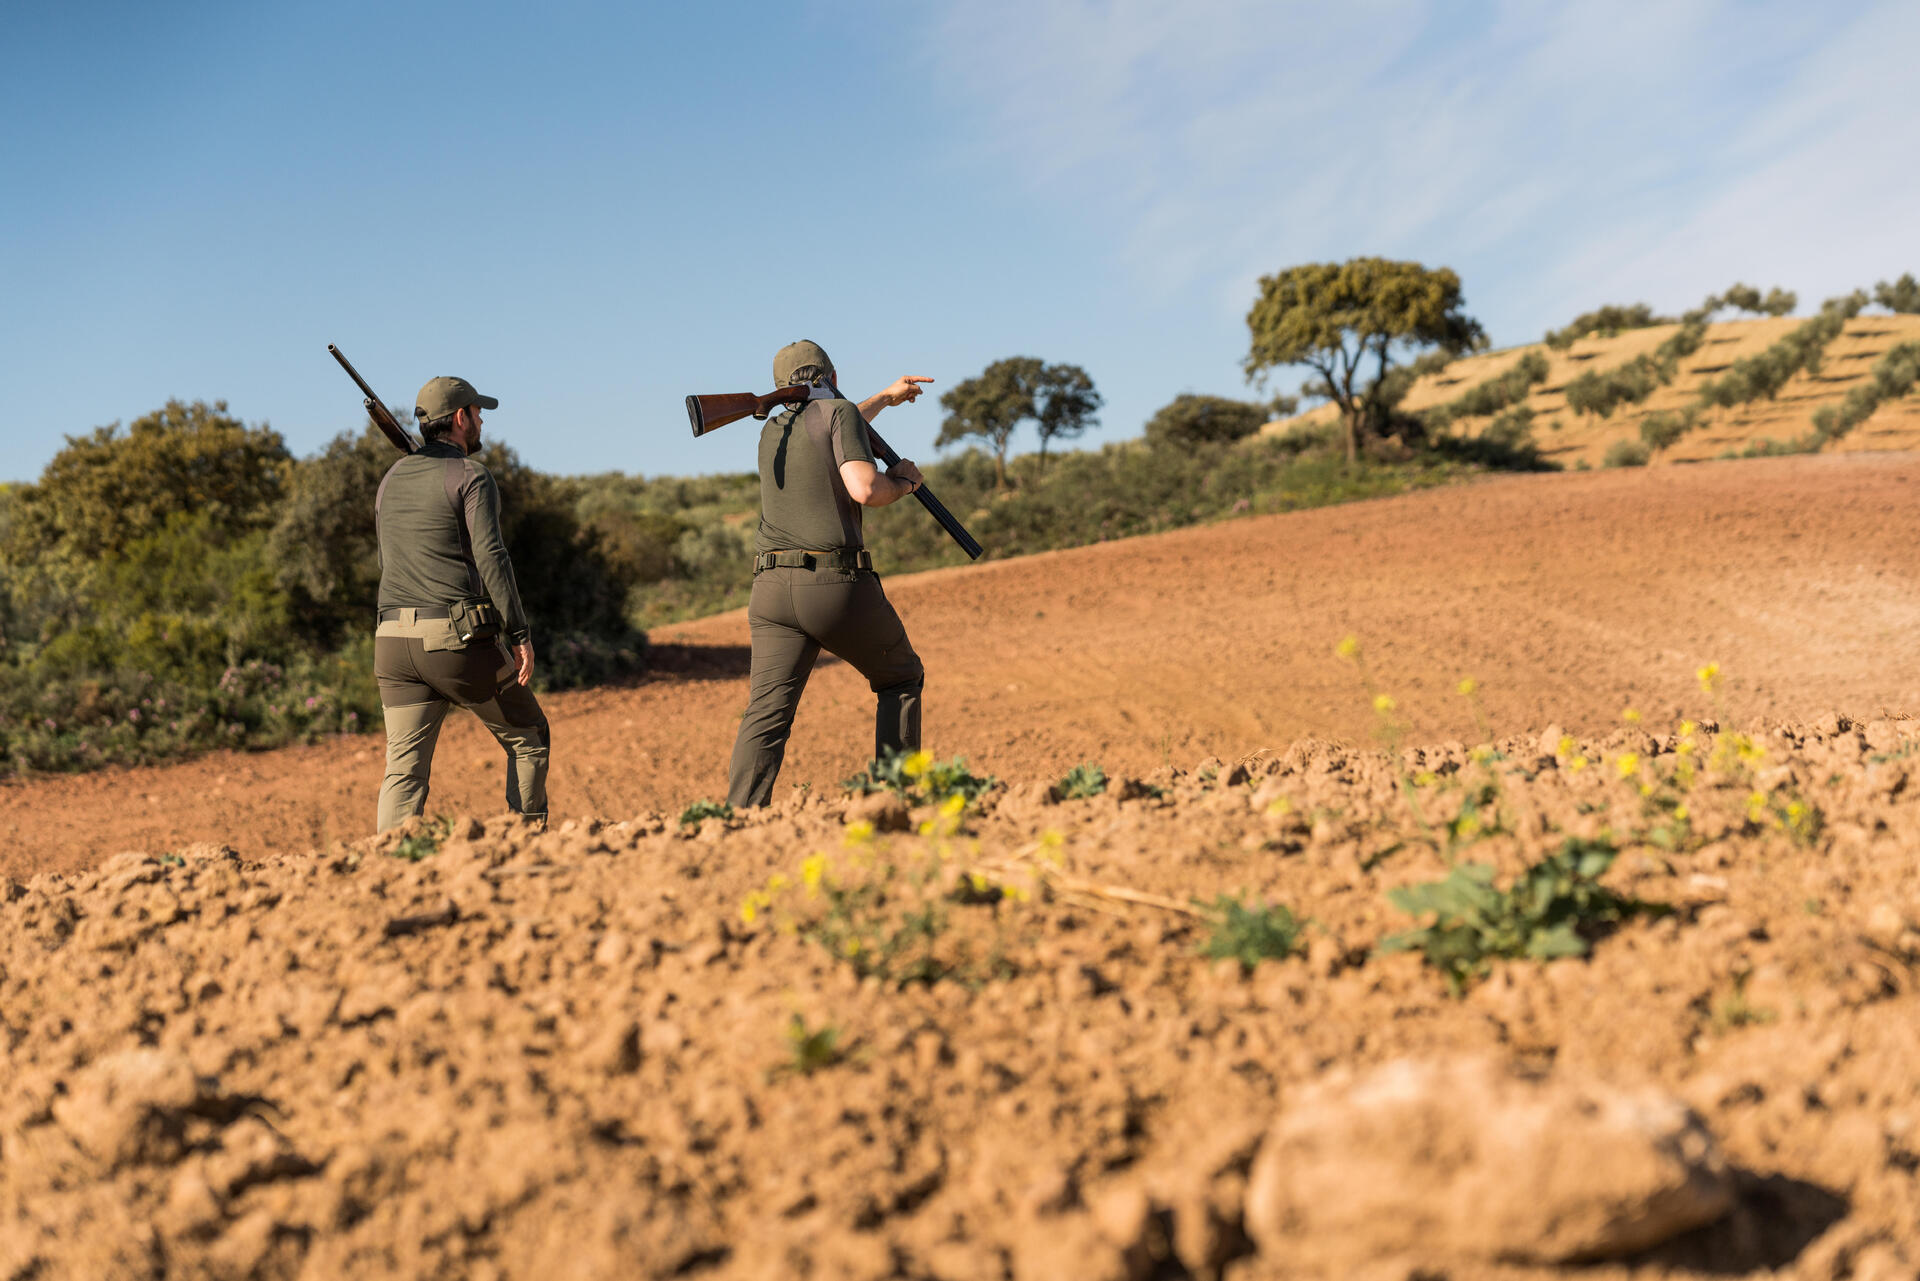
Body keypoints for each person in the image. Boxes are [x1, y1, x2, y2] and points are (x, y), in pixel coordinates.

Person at [726, 340, 932, 807]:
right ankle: (894, 804)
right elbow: (863, 486)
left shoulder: (771, 432)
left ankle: (734, 824)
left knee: (766, 714)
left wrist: (882, 398)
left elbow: (834, 425)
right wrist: (903, 482)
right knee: (900, 677)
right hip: (834, 585)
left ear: (780, 389)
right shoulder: (839, 414)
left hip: (771, 591)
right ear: (832, 379)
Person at [371, 375, 549, 830]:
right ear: (459, 419)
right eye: (477, 412)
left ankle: (389, 872)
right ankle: (529, 842)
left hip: (391, 642)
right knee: (530, 737)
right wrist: (520, 633)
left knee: (403, 770)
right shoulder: (471, 476)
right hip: (453, 642)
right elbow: (492, 556)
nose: (481, 420)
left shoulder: (389, 480)